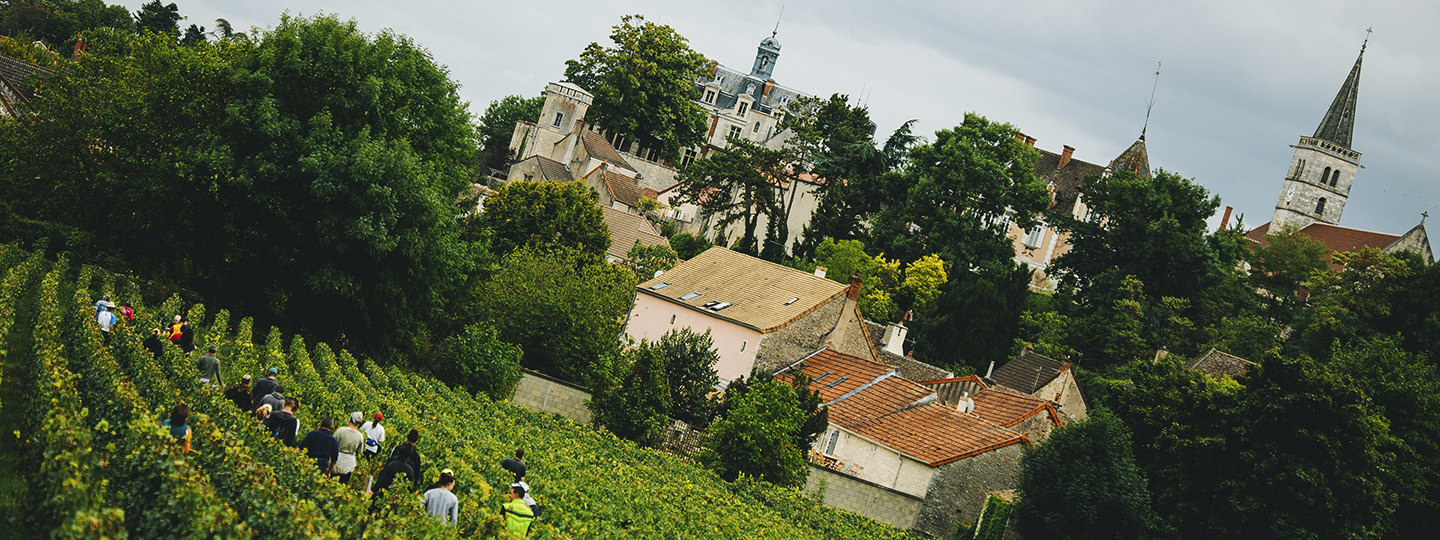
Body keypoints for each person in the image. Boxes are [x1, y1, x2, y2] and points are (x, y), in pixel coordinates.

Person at [333, 412, 365, 484]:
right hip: (349, 464)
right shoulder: (360, 436)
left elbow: (332, 445)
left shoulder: (341, 431)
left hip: (337, 461)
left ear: (350, 420)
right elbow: (358, 453)